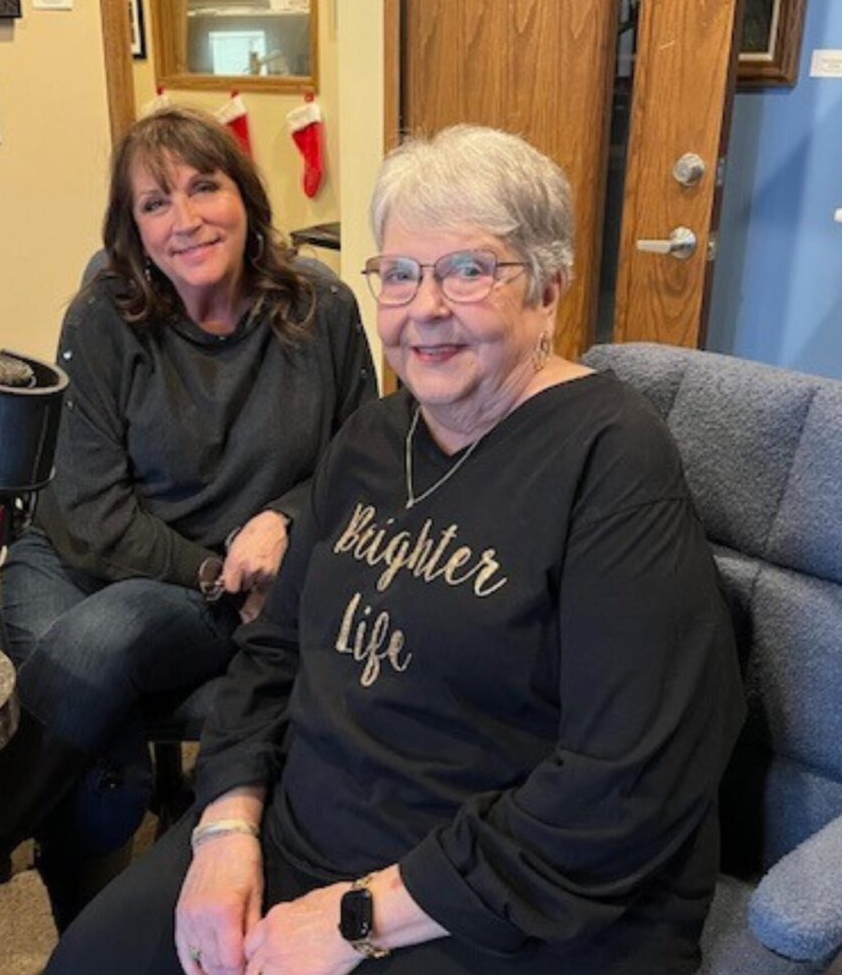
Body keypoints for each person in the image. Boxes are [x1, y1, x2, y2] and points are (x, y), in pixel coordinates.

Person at [45, 125, 746, 975]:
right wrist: (225, 831)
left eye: (470, 270)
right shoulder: (372, 441)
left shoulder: (612, 459)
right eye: (402, 274)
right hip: (301, 837)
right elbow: (270, 657)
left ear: (550, 290)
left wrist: (358, 919)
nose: (426, 309)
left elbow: (629, 780)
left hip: (495, 896)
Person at [0, 106, 375, 975]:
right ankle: (79, 933)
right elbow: (93, 511)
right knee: (90, 694)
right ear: (131, 230)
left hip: (198, 597)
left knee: (99, 649)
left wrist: (285, 516)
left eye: (204, 187)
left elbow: (359, 456)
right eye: (154, 204)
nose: (185, 221)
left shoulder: (319, 309)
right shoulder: (106, 314)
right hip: (76, 560)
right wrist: (219, 565)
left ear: (247, 196)